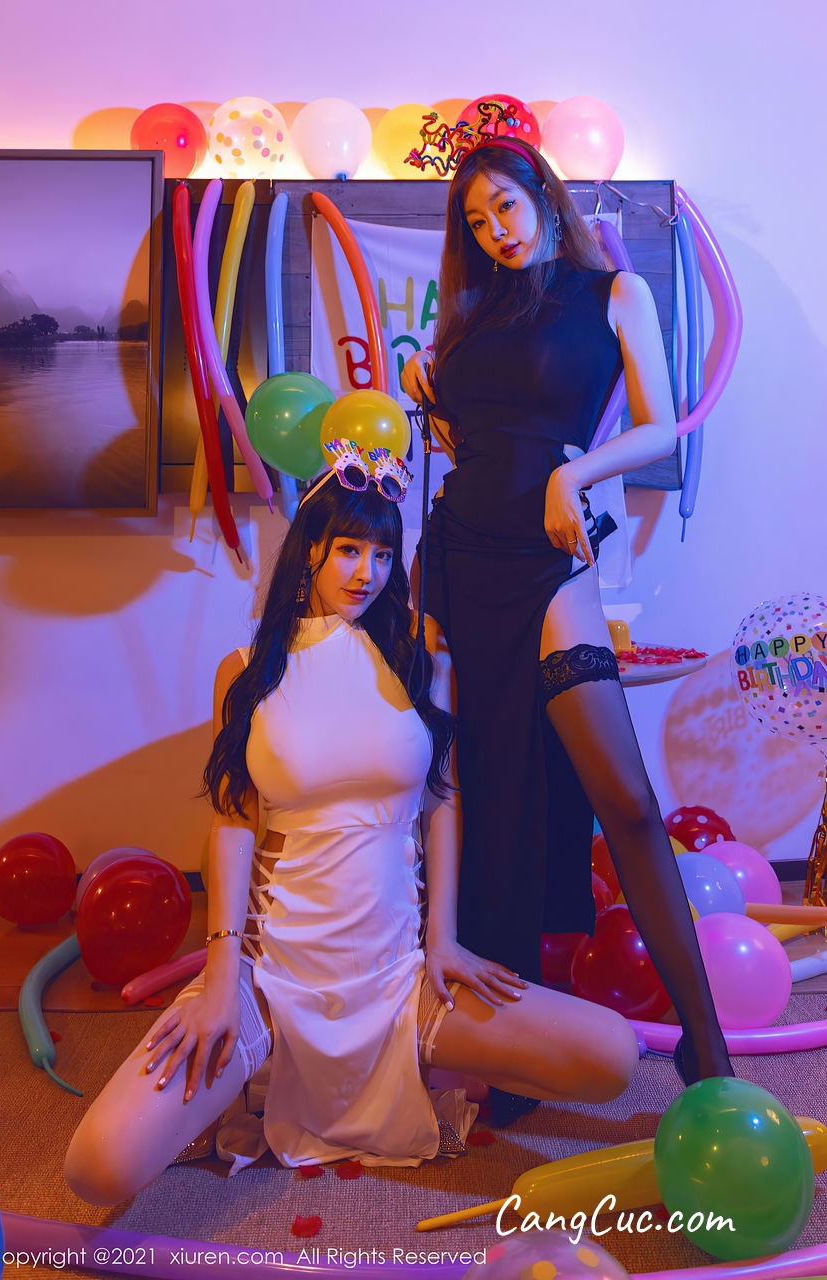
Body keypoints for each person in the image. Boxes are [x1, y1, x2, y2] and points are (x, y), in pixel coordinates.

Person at [64, 449, 637, 1205]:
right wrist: (222, 974)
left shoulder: (421, 651)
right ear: (309, 550)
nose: (366, 572)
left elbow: (443, 800)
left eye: (382, 554)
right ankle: (263, 1066)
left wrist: (443, 941)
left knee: (613, 1055)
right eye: (347, 550)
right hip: (270, 978)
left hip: (398, 977)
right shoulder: (245, 669)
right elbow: (233, 825)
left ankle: (395, 1060)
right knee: (97, 1168)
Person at [401, 129, 733, 1091]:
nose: (495, 230)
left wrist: (576, 473)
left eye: (504, 206)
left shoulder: (614, 294)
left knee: (621, 795)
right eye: (475, 222)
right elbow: (472, 443)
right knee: (483, 788)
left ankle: (704, 1043)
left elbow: (660, 424)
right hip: (460, 555)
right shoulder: (468, 319)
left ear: (543, 196)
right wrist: (428, 390)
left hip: (549, 556)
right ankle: (508, 1050)